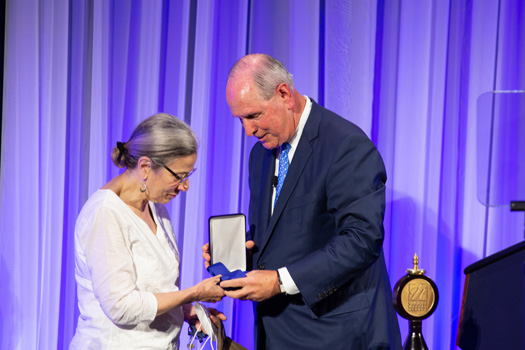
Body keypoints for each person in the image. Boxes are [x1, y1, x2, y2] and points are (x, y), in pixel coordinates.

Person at [204, 54, 402, 349]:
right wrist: (238, 254)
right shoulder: (261, 153)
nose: (248, 131)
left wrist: (279, 281)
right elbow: (285, 233)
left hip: (336, 334)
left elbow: (361, 240)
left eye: (254, 115)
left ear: (284, 94)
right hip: (279, 333)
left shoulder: (345, 144)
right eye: (241, 120)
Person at [70, 113, 225, 349]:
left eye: (189, 175)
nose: (185, 186)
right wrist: (194, 293)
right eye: (180, 176)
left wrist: (186, 311)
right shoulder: (104, 215)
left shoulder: (155, 205)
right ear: (145, 167)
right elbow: (122, 306)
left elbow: (154, 289)